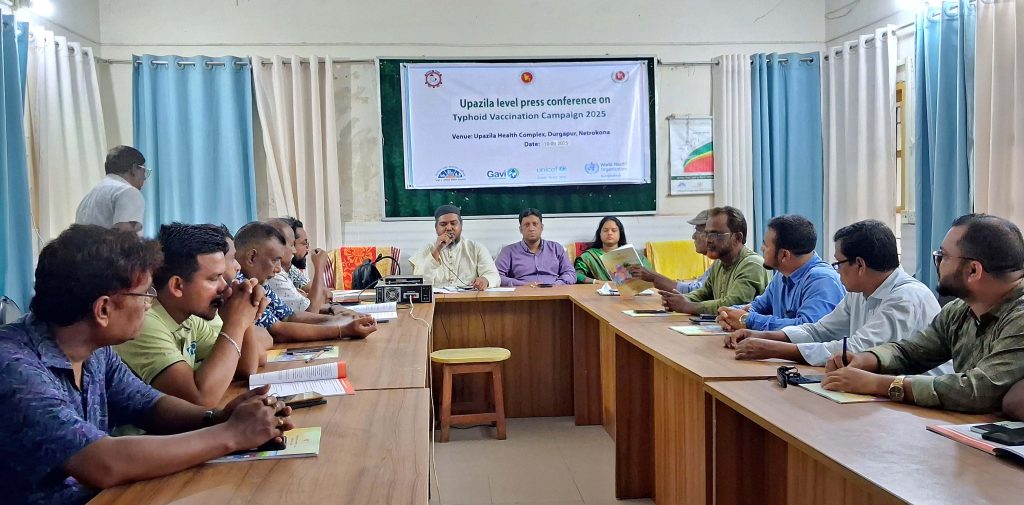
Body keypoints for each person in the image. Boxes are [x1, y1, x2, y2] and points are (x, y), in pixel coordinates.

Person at [0, 225, 294, 505]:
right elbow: (102, 462)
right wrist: (231, 434)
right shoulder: (14, 368)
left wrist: (216, 417)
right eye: (144, 294)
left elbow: (147, 405)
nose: (149, 303)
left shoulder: (94, 351)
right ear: (103, 309)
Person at [821, 214, 1024, 413]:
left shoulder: (1020, 316)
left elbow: (978, 390)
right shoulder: (960, 310)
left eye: (942, 257)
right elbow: (913, 351)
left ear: (973, 271)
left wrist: (880, 384)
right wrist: (866, 359)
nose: (937, 263)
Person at [725, 220, 950, 375]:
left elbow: (854, 349)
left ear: (860, 265)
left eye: (839, 263)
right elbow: (819, 330)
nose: (836, 270)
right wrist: (763, 335)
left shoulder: (906, 298)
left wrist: (773, 349)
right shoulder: (860, 292)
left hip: (923, 407)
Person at [115, 224, 268, 408]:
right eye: (213, 278)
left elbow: (246, 368)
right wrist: (236, 322)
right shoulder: (145, 323)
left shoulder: (189, 319)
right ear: (177, 286)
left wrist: (245, 310)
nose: (225, 287)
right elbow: (200, 399)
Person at [234, 222, 377, 342]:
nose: (278, 269)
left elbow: (290, 316)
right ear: (252, 257)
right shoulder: (241, 287)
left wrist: (342, 320)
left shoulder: (260, 283)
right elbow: (278, 330)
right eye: (274, 260)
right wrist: (342, 330)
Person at [715, 215, 844, 331]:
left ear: (784, 255)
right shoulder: (782, 274)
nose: (762, 249)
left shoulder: (823, 280)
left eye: (766, 245)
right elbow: (759, 307)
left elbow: (807, 329)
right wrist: (730, 313)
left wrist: (747, 320)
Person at [657, 206, 771, 315]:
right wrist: (679, 300)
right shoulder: (719, 263)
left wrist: (688, 306)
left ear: (737, 238)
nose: (708, 240)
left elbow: (733, 304)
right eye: (707, 233)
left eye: (716, 234)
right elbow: (704, 293)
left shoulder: (752, 264)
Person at [410, 205, 500, 290]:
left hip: (469, 301)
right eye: (443, 224)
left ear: (461, 226)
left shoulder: (476, 248)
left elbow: (494, 276)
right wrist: (436, 251)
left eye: (453, 223)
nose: (449, 228)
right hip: (436, 302)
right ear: (436, 228)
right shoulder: (427, 249)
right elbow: (419, 283)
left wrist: (485, 280)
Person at [627, 210, 714, 294]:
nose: (693, 236)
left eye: (698, 231)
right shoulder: (717, 264)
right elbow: (694, 287)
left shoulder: (723, 264)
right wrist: (654, 277)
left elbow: (694, 291)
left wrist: (654, 277)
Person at [75, 146, 149, 235]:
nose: (145, 178)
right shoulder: (128, 192)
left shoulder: (89, 196)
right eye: (144, 171)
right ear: (134, 169)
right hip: (110, 249)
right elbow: (127, 241)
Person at [494, 208, 576, 287]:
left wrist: (556, 284)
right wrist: (521, 285)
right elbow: (495, 276)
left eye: (535, 224)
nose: (531, 229)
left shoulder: (556, 248)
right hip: (522, 295)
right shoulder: (508, 251)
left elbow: (570, 273)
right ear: (520, 229)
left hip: (554, 292)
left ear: (542, 227)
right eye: (526, 225)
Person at [265, 218, 331, 314]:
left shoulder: (289, 269)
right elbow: (311, 312)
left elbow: (324, 292)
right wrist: (319, 267)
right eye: (292, 245)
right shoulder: (274, 276)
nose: (294, 250)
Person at [574, 216, 652, 284]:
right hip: (602, 295)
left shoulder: (633, 253)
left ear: (620, 234)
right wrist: (597, 282)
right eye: (605, 230)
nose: (609, 233)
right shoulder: (589, 256)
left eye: (614, 230)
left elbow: (650, 273)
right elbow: (576, 275)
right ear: (600, 234)